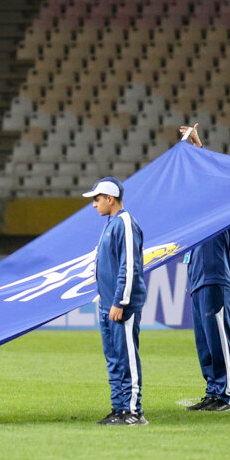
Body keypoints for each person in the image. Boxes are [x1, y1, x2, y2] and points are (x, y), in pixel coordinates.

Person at [180, 123, 230, 412]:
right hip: (198, 282)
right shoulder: (198, 220)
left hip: (214, 280)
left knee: (218, 339)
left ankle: (226, 395)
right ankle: (212, 391)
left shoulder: (224, 214)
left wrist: (198, 147)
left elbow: (211, 180)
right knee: (204, 342)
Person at [84, 176, 147, 425]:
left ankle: (133, 411)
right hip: (108, 303)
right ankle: (119, 407)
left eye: (97, 199)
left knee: (126, 356)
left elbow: (129, 266)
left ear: (110, 199)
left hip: (121, 305)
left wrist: (120, 301)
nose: (94, 205)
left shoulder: (125, 223)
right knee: (113, 358)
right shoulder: (111, 223)